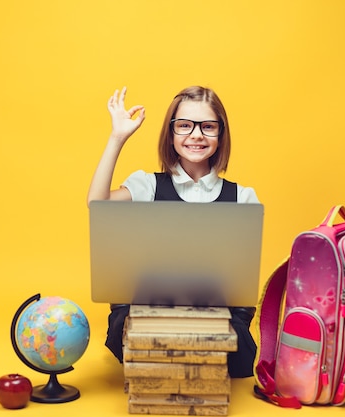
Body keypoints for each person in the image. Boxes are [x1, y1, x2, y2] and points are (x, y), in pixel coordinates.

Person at [87, 86, 260, 377]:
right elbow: (97, 204)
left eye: (208, 126)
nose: (196, 135)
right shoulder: (147, 185)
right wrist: (117, 137)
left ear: (221, 134)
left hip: (216, 318)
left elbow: (239, 285)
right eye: (184, 126)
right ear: (171, 134)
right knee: (145, 331)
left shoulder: (242, 197)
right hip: (146, 312)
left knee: (214, 338)